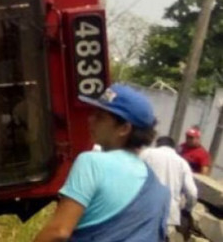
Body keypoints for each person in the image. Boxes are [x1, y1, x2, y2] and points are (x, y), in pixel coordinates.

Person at [34, 84, 168, 242]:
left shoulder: (91, 162)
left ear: (124, 129)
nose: (90, 119)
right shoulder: (158, 188)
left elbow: (58, 231)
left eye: (100, 117)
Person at [140, 136, 198, 235]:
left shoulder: (147, 153)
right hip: (168, 215)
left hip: (143, 209)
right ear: (173, 147)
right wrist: (187, 209)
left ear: (157, 144)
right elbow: (192, 192)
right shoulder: (183, 163)